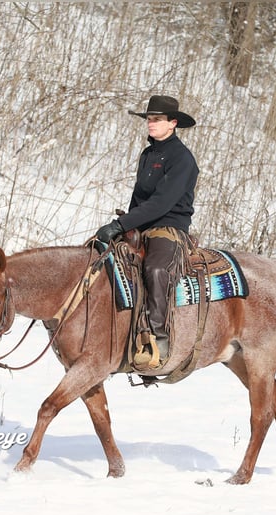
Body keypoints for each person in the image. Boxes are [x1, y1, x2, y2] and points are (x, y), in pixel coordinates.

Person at [95, 95, 199, 367]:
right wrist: (123, 229)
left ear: (173, 123)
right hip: (141, 224)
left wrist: (122, 224)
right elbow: (139, 198)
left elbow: (161, 203)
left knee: (155, 270)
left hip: (169, 227)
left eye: (157, 120)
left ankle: (157, 338)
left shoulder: (183, 159)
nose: (151, 124)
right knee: (100, 254)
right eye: (149, 119)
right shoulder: (148, 153)